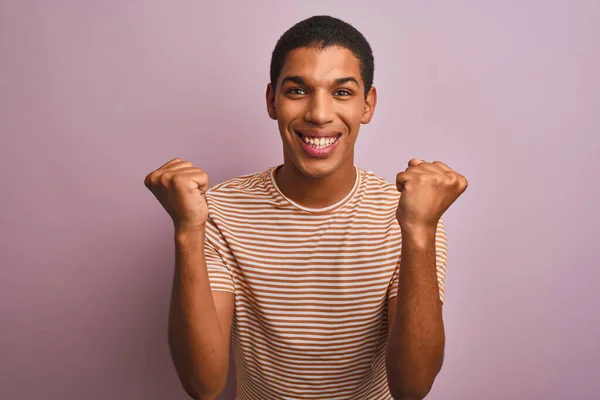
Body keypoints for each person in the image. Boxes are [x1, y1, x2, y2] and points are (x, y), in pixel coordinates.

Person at [144, 15, 468, 400]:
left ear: (368, 104)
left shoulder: (412, 214)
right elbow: (204, 385)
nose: (318, 113)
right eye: (297, 91)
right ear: (271, 100)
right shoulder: (217, 212)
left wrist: (419, 231)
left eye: (342, 93)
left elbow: (412, 388)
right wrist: (186, 230)